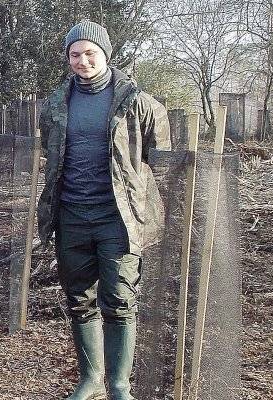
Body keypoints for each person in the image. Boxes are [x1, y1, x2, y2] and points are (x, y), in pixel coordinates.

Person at [36, 20, 171, 400]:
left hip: (119, 219)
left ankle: (118, 385)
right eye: (75, 54)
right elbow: (52, 152)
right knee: (79, 297)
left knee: (119, 298)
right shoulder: (55, 103)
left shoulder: (139, 103)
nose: (82, 60)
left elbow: (156, 159)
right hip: (71, 215)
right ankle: (90, 380)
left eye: (90, 53)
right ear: (67, 58)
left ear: (106, 54)